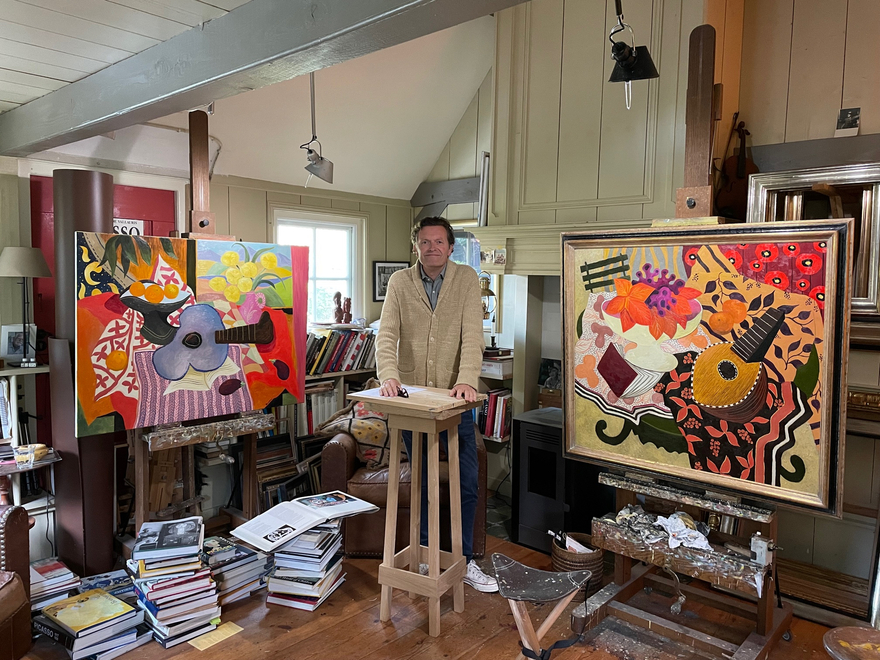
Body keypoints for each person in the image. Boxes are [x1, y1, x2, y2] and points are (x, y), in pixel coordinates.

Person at [376, 216, 498, 593]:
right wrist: (388, 375)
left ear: (450, 246)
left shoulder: (465, 280)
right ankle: (429, 556)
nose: (432, 248)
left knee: (466, 483)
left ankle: (464, 561)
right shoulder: (399, 282)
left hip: (456, 402)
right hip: (413, 403)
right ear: (416, 247)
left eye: (439, 242)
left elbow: (473, 336)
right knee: (424, 482)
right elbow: (387, 335)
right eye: (425, 242)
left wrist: (466, 380)